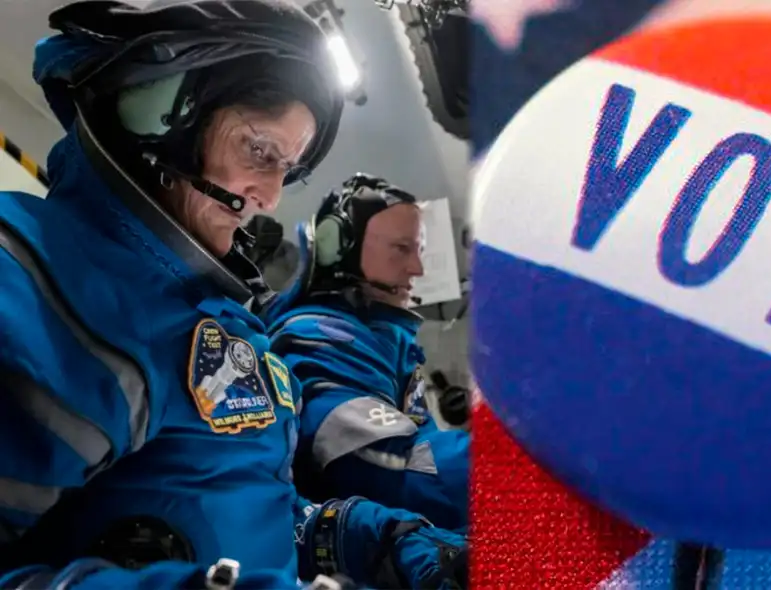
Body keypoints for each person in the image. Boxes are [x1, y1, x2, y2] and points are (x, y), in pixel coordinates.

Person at [0, 1, 465, 588]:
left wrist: (379, 541)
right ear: (161, 114)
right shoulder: (33, 279)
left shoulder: (222, 326)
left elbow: (248, 508)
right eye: (260, 150)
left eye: (287, 167)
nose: (271, 196)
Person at [265, 174, 470, 533]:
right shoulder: (316, 338)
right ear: (335, 247)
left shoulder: (387, 339)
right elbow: (396, 466)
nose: (417, 269)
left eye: (419, 250)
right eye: (401, 249)